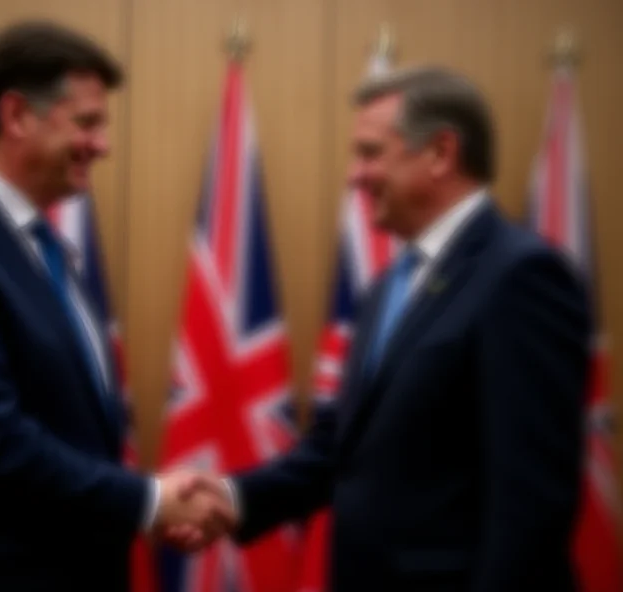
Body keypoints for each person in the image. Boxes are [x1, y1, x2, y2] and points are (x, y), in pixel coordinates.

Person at [177, 66, 593, 591]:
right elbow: (344, 445)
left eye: (371, 153)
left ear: (440, 153)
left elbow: (530, 505)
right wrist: (234, 499)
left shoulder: (522, 277)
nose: (354, 174)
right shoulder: (387, 287)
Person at [0, 21, 231, 592]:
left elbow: (72, 433)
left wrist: (143, 506)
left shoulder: (46, 248)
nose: (103, 145)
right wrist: (147, 501)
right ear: (16, 116)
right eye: (87, 122)